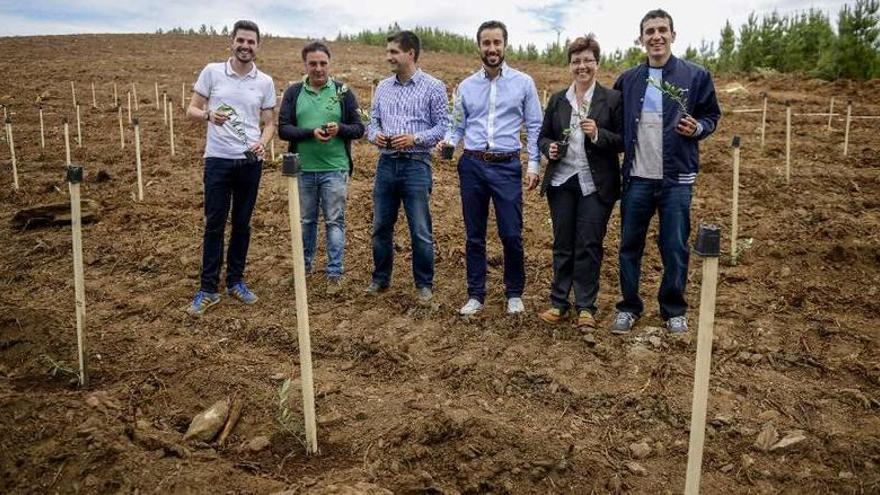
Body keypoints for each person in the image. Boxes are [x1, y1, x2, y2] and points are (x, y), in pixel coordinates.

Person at [610, 9, 721, 334]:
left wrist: (698, 126)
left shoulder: (695, 76)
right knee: (630, 244)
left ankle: (673, 308)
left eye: (662, 30)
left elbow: (712, 115)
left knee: (674, 246)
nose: (656, 36)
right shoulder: (629, 79)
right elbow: (615, 123)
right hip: (637, 178)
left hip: (677, 179)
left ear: (673, 34)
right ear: (641, 38)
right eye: (649, 31)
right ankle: (629, 306)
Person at [436, 20, 543, 316]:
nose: (492, 48)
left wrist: (533, 164)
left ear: (505, 45)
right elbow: (456, 126)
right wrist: (447, 142)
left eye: (497, 43)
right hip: (472, 165)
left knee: (511, 233)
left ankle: (513, 293)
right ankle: (476, 294)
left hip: (507, 166)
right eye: (487, 43)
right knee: (474, 234)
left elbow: (534, 126)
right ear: (479, 46)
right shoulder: (466, 87)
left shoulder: (524, 83)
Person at [185, 20, 276, 317]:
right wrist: (209, 115)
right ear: (232, 42)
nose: (245, 46)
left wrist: (262, 143)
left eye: (251, 42)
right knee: (214, 223)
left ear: (257, 46)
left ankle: (236, 281)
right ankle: (208, 288)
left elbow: (269, 123)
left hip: (250, 161)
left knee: (242, 223)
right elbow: (191, 109)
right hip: (218, 160)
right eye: (241, 40)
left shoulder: (264, 81)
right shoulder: (212, 72)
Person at [536, 35, 623, 330]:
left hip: (596, 184)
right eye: (576, 61)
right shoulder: (560, 99)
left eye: (587, 60)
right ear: (570, 65)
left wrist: (598, 134)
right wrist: (549, 148)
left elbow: (623, 141)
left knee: (588, 244)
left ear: (597, 63)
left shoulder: (611, 99)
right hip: (562, 181)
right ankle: (559, 302)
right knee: (563, 243)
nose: (581, 66)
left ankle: (586, 305)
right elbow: (543, 136)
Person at [365, 30, 448, 304]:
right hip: (386, 163)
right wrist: (374, 134)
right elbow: (373, 121)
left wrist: (415, 138)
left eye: (393, 52)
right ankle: (380, 277)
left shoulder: (433, 87)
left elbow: (442, 127)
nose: (388, 57)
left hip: (416, 164)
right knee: (380, 226)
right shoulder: (383, 88)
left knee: (420, 229)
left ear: (410, 53)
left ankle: (424, 283)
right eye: (388, 51)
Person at [278, 41, 365, 294]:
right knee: (306, 221)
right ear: (305, 65)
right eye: (313, 64)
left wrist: (340, 129)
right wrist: (310, 133)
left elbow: (359, 128)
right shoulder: (294, 93)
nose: (318, 69)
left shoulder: (343, 92)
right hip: (303, 170)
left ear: (329, 64)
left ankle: (334, 273)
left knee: (334, 221)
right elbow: (284, 129)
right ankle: (303, 269)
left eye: (323, 63)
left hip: (335, 169)